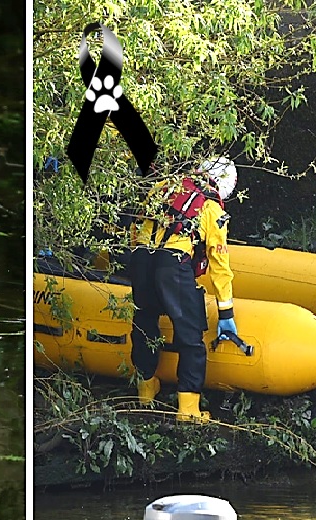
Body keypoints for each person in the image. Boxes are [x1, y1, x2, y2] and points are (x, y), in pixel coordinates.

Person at [129, 157, 238, 422]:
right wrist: (226, 311)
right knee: (190, 336)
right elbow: (219, 262)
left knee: (144, 323)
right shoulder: (211, 208)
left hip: (141, 258)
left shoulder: (164, 186)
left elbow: (135, 226)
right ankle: (188, 409)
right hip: (173, 265)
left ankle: (146, 391)